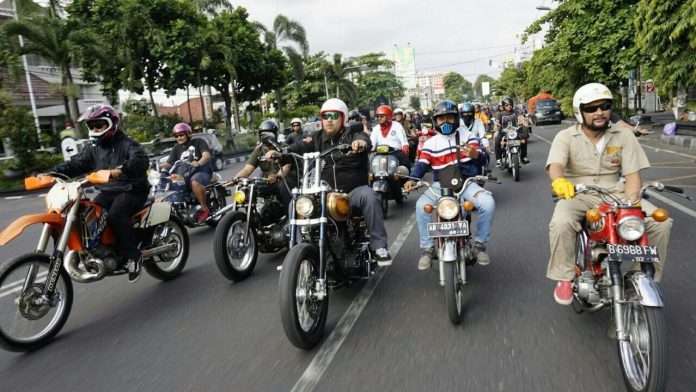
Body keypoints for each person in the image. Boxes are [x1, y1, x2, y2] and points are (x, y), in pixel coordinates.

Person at [546, 83, 673, 305]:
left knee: (660, 222)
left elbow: (633, 177)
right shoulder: (565, 136)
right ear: (580, 112)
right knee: (561, 222)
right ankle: (565, 276)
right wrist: (559, 182)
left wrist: (630, 206)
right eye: (591, 108)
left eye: (604, 106)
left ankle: (641, 275)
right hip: (578, 192)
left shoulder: (624, 135)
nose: (599, 112)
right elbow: (556, 165)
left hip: (616, 191)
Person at [268, 98, 393, 265]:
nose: (329, 119)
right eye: (325, 116)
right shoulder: (316, 138)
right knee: (295, 204)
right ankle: (296, 250)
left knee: (369, 196)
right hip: (324, 193)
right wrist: (280, 153)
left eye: (334, 115)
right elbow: (297, 147)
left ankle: (379, 246)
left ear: (343, 118)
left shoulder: (353, 134)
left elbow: (364, 139)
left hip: (351, 193)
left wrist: (361, 143)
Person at [47, 105, 149, 282]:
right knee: (88, 212)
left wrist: (121, 169)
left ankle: (133, 256)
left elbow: (140, 160)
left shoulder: (127, 144)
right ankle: (100, 248)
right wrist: (51, 173)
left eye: (99, 125)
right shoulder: (93, 149)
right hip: (109, 191)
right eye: (92, 125)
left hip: (132, 189)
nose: (95, 129)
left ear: (112, 124)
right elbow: (75, 164)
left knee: (116, 215)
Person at [404, 100, 496, 270]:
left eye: (450, 118)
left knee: (488, 203)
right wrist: (412, 179)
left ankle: (480, 245)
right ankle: (427, 248)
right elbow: (422, 165)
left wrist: (476, 154)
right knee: (421, 206)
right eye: (441, 119)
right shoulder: (431, 143)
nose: (446, 122)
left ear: (456, 118)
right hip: (441, 186)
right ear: (435, 121)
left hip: (466, 184)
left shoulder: (467, 136)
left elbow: (484, 158)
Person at [235, 119, 296, 211]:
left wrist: (277, 175)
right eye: (263, 135)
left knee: (283, 185)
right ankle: (253, 216)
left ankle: (291, 215)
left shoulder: (283, 147)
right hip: (268, 181)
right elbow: (247, 170)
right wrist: (235, 179)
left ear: (275, 135)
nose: (265, 137)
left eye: (268, 135)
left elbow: (286, 167)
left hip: (287, 180)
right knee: (247, 188)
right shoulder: (259, 150)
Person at [160, 122, 213, 223]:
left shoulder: (198, 142)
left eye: (181, 135)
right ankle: (179, 208)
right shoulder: (176, 148)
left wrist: (198, 162)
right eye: (176, 136)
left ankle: (204, 208)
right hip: (184, 175)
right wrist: (157, 167)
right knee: (168, 182)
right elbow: (169, 163)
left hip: (202, 172)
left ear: (188, 134)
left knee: (194, 181)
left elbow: (206, 155)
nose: (179, 138)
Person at [371, 105, 411, 169]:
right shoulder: (375, 128)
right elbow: (371, 145)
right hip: (380, 154)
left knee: (405, 163)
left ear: (389, 117)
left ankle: (408, 179)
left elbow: (404, 141)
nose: (379, 118)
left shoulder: (397, 125)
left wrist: (405, 146)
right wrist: (366, 148)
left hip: (395, 153)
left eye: (382, 116)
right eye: (378, 116)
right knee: (370, 169)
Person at [494, 97, 530, 166]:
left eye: (510, 104)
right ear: (504, 105)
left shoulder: (515, 112)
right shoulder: (500, 114)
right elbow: (497, 122)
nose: (509, 106)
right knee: (497, 140)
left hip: (515, 131)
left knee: (523, 139)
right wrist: (496, 128)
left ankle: (524, 157)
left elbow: (520, 118)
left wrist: (525, 122)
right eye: (506, 105)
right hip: (504, 132)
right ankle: (498, 160)